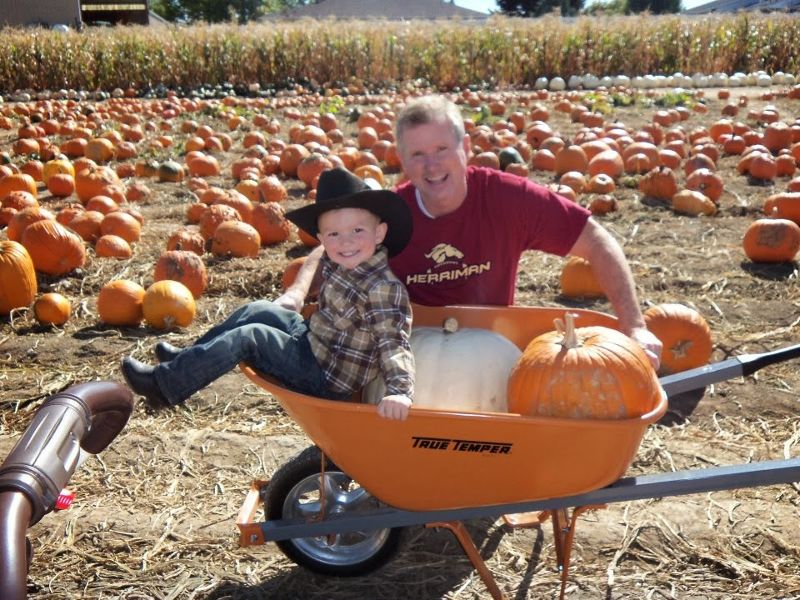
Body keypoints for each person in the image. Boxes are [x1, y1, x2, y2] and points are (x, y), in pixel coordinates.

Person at [277, 95, 663, 367]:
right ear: (403, 162)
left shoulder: (508, 199)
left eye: (442, 149)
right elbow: (330, 247)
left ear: (465, 148)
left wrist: (635, 327)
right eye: (418, 155)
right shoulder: (393, 212)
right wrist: (295, 295)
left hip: (488, 347)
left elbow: (595, 239)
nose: (432, 165)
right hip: (411, 351)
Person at [121, 168, 415, 420]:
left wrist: (400, 391)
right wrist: (296, 294)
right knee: (258, 309)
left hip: (324, 374)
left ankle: (164, 386)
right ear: (322, 239)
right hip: (313, 340)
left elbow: (394, 342)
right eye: (334, 235)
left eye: (357, 231)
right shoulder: (346, 257)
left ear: (380, 233)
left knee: (251, 336)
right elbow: (318, 259)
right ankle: (187, 358)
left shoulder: (382, 288)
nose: (346, 241)